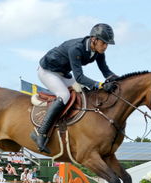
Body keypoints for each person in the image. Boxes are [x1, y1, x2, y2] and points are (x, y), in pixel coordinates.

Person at [30, 23, 119, 154]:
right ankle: (40, 133)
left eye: (107, 44)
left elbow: (105, 71)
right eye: (104, 43)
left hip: (63, 73)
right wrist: (100, 85)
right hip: (47, 71)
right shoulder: (76, 48)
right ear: (94, 39)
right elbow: (79, 77)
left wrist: (118, 80)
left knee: (83, 93)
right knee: (64, 95)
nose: (105, 46)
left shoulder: (98, 52)